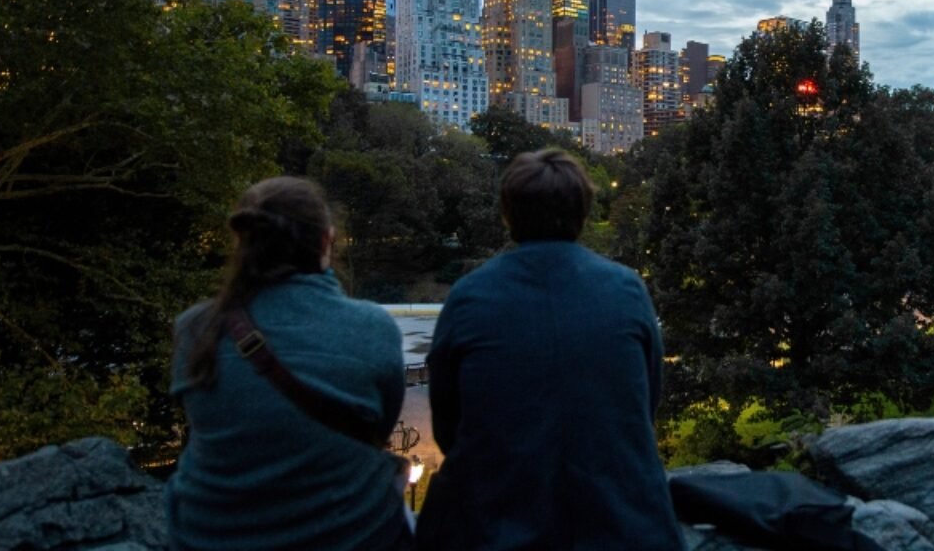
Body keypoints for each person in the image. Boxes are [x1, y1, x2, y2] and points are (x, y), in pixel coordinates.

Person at [417, 148, 683, 550]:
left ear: (508, 214)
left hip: (491, 527)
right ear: (584, 211)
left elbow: (447, 426)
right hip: (627, 526)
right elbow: (644, 403)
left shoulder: (471, 295)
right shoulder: (627, 289)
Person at [167, 177, 410, 550]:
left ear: (243, 242)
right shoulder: (373, 328)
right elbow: (379, 425)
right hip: (352, 535)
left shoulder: (195, 329)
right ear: (326, 241)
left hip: (208, 536)